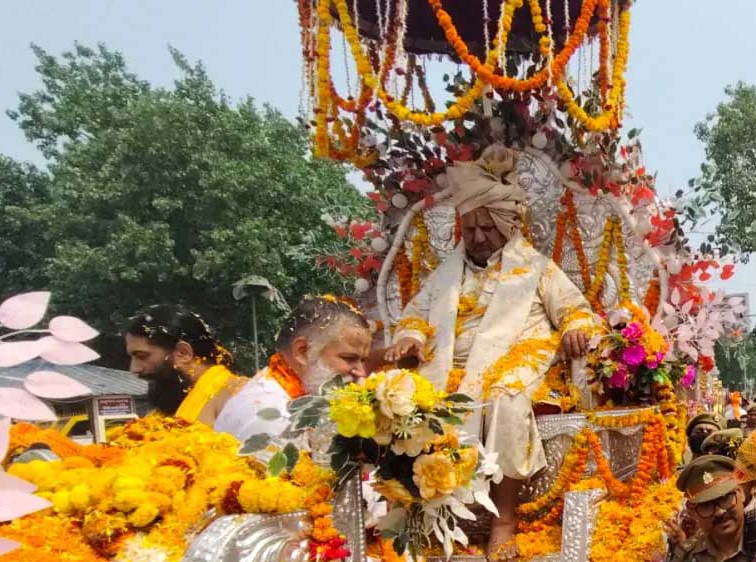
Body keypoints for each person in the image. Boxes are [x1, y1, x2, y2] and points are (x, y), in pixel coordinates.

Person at [384, 144, 597, 560]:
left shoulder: (536, 268)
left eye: (488, 228)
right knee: (411, 403)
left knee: (504, 400)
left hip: (515, 363)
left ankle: (503, 522)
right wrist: (410, 338)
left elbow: (576, 311)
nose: (478, 238)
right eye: (470, 229)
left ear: (507, 225)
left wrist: (575, 328)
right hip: (446, 365)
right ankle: (431, 516)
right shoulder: (445, 276)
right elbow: (415, 316)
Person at [214, 295, 371, 442]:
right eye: (349, 358)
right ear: (302, 352)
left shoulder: (292, 396)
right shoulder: (272, 417)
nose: (361, 372)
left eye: (363, 360)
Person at [125, 305, 242, 425]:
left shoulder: (238, 398)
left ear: (183, 353)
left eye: (142, 356)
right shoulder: (168, 406)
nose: (134, 369)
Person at [666, 455, 756, 562]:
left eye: (724, 498)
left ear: (741, 493)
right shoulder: (686, 555)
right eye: (707, 505)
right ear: (693, 512)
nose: (720, 512)